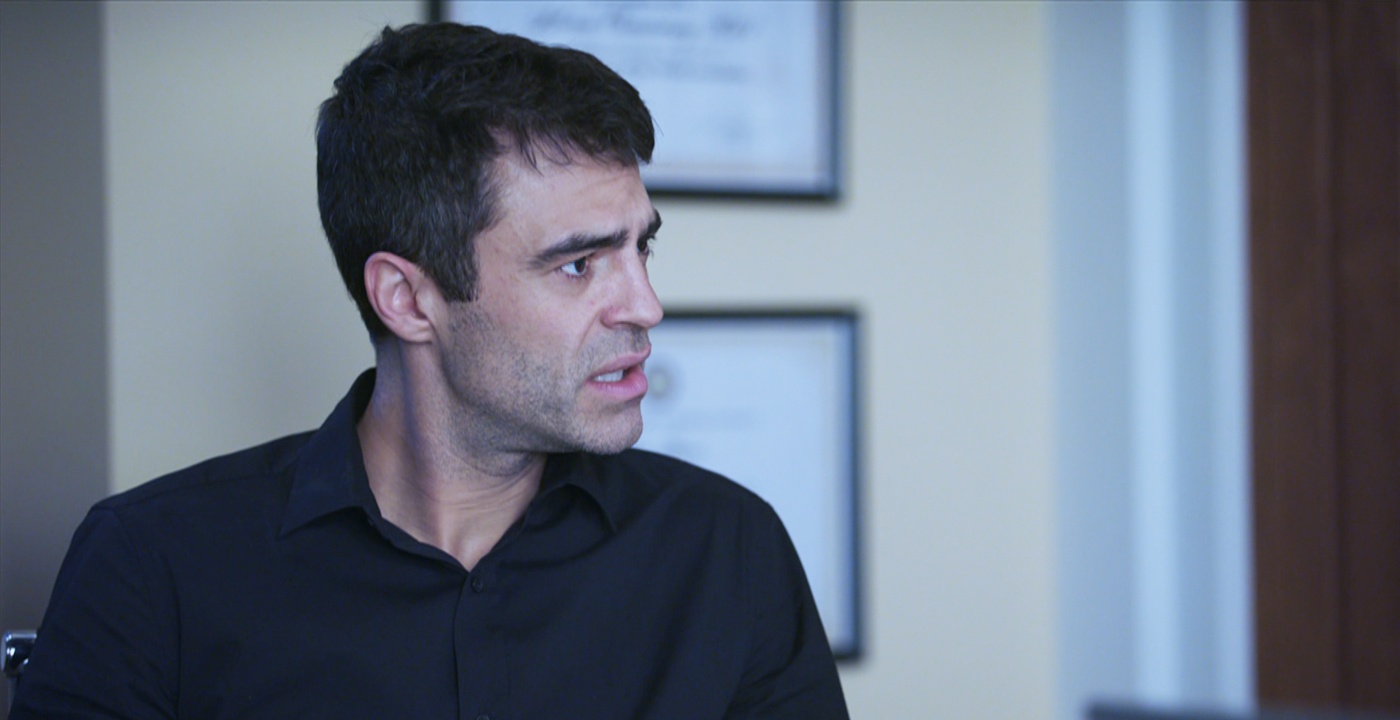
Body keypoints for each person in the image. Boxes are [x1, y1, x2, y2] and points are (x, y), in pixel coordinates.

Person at [11, 22, 849, 720]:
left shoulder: (727, 549)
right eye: (578, 265)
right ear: (407, 300)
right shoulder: (152, 567)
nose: (646, 306)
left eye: (642, 249)